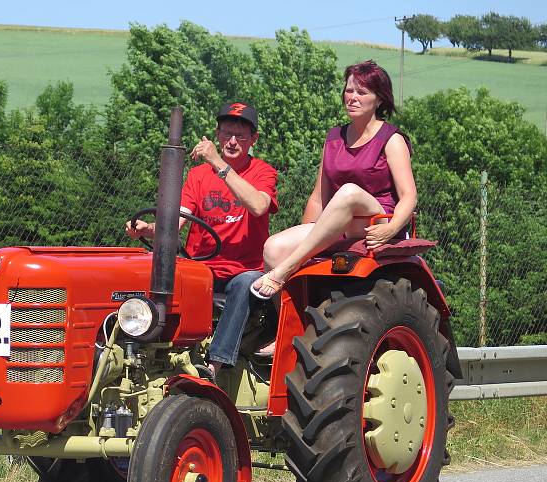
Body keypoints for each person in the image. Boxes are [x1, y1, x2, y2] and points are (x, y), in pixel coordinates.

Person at [126, 102, 278, 378]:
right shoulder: (197, 175)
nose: (232, 141)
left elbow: (258, 205)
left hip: (243, 271)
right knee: (150, 272)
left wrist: (218, 163)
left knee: (245, 284)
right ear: (217, 135)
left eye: (241, 136)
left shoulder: (262, 172)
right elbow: (178, 220)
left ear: (253, 140)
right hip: (202, 268)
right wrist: (148, 228)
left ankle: (213, 366)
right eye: (227, 133)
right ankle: (146, 351)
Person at [252, 60, 416, 303]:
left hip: (377, 221)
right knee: (273, 248)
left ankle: (284, 270)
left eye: (362, 92)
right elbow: (319, 196)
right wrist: (308, 235)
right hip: (339, 223)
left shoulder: (391, 139)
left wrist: (391, 229)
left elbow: (409, 196)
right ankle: (286, 331)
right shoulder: (333, 138)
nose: (353, 97)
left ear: (379, 99)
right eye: (349, 90)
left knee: (349, 192)